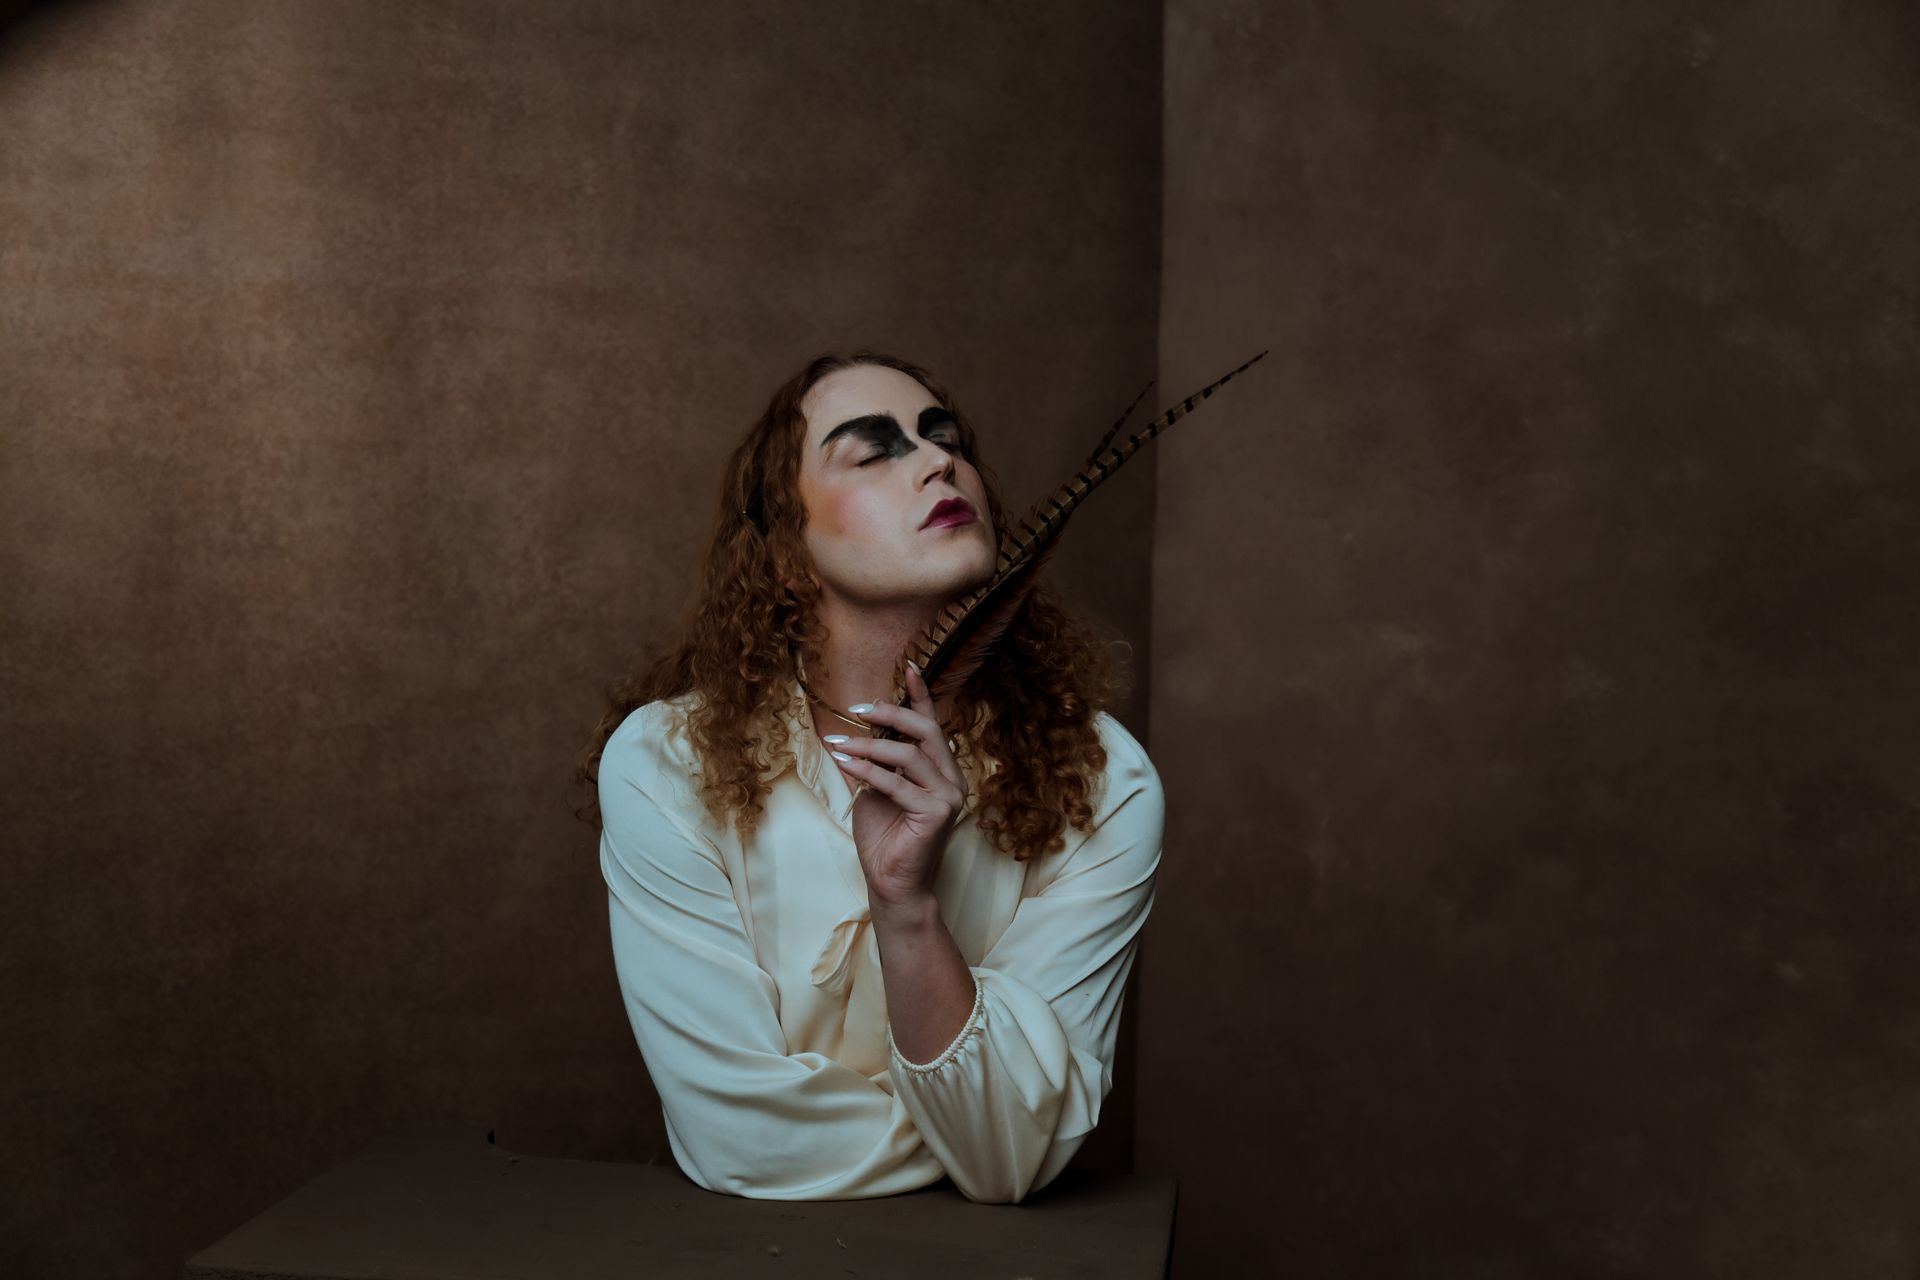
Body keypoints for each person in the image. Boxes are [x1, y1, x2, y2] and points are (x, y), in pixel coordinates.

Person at [575, 350, 1165, 1204]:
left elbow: (1011, 1162)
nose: (939, 461)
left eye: (942, 438)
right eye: (874, 449)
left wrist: (909, 909)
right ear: (786, 552)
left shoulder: (1106, 786)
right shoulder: (664, 765)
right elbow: (737, 1138)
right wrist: (980, 1138)